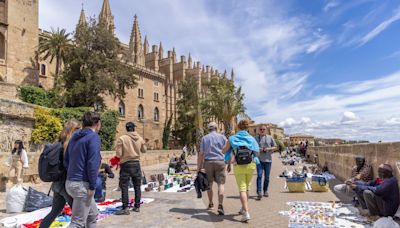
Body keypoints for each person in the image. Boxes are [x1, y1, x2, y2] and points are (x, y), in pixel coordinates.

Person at [40, 120, 81, 228]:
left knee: (54, 212)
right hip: (65, 185)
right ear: (74, 130)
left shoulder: (58, 143)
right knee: (79, 216)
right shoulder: (69, 144)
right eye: (78, 129)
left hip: (56, 185)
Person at [64, 111, 102, 228]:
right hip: (82, 185)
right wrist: (92, 186)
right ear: (97, 123)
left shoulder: (75, 136)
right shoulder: (93, 137)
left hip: (70, 182)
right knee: (77, 222)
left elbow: (67, 159)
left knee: (92, 216)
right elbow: (92, 163)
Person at [223, 119, 259, 222]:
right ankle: (244, 208)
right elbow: (257, 153)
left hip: (238, 165)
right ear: (248, 128)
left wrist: (228, 154)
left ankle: (246, 213)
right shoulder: (252, 139)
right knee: (247, 187)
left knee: (242, 188)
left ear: (238, 127)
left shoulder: (232, 138)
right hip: (251, 164)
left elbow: (224, 151)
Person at [115, 122, 147, 215]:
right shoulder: (140, 138)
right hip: (136, 163)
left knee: (124, 186)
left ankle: (125, 207)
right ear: (134, 129)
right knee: (137, 186)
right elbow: (144, 150)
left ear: (126, 128)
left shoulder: (122, 139)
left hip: (126, 164)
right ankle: (137, 206)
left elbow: (119, 154)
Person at [198, 122, 227, 215]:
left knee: (209, 184)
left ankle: (211, 204)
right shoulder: (222, 137)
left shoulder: (204, 138)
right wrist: (229, 163)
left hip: (208, 162)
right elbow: (228, 150)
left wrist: (199, 167)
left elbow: (201, 153)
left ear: (208, 129)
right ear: (216, 128)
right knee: (221, 184)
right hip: (220, 161)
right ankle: (220, 205)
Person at [255, 125, 277, 200]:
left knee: (267, 177)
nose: (262, 130)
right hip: (259, 160)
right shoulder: (256, 138)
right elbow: (252, 147)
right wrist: (258, 149)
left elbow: (275, 147)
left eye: (263, 129)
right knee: (259, 176)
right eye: (260, 129)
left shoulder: (270, 137)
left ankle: (265, 191)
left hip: (268, 160)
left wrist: (268, 149)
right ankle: (259, 192)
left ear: (266, 130)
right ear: (259, 130)